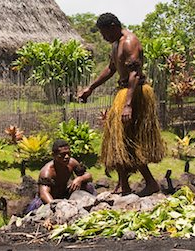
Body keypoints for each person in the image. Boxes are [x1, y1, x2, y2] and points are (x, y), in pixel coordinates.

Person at [78, 13, 165, 197]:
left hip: (135, 94)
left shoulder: (129, 42)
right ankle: (123, 185)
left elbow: (134, 73)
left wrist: (128, 105)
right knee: (116, 141)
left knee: (129, 140)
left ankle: (150, 183)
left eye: (104, 33)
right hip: (124, 92)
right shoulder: (116, 44)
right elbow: (111, 68)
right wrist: (90, 88)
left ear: (113, 26)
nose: (103, 37)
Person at [25, 139, 95, 213]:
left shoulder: (72, 163)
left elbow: (89, 176)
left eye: (68, 153)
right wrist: (57, 207)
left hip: (64, 193)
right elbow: (44, 194)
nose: (67, 157)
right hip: (48, 199)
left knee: (88, 185)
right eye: (62, 155)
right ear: (54, 155)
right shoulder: (47, 172)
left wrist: (80, 179)